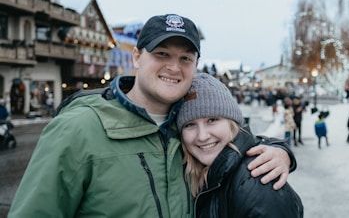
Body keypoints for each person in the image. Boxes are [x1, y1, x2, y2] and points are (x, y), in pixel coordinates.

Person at [8, 14, 296, 217]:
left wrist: (279, 150)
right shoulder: (79, 128)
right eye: (161, 53)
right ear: (136, 57)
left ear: (196, 65)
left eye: (185, 58)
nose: (174, 66)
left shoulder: (186, 127)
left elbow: (232, 144)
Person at [177, 73, 303, 218]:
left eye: (212, 120)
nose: (202, 136)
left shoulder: (257, 181)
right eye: (190, 124)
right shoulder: (198, 172)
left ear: (232, 124)